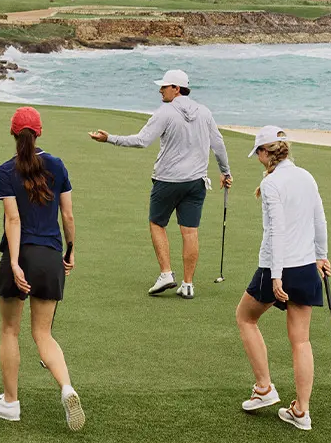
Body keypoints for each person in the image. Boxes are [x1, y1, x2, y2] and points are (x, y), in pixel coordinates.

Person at [88, 69, 232, 300]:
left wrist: (110, 139)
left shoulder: (165, 112)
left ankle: (166, 274)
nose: (160, 90)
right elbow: (219, 144)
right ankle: (188, 284)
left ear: (176, 88)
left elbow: (142, 141)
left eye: (164, 87)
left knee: (157, 223)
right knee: (190, 231)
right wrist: (225, 171)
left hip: (167, 181)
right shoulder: (204, 112)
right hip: (196, 183)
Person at [0, 107, 85, 431]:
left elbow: (13, 219)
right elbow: (67, 215)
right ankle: (66, 387)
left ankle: (10, 403)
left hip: (21, 255)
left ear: (14, 134)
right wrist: (70, 250)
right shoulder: (57, 165)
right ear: (39, 133)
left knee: (9, 330)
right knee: (43, 333)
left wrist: (14, 263)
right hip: (51, 257)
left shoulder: (5, 171)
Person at [234, 126, 330, 432]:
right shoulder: (306, 176)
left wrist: (275, 277)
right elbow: (319, 219)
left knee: (245, 317)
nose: (258, 158)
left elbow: (276, 230)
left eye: (258, 153)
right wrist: (321, 256)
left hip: (277, 268)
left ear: (266, 152)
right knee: (301, 340)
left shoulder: (272, 183)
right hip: (305, 267)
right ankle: (301, 411)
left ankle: (264, 388)